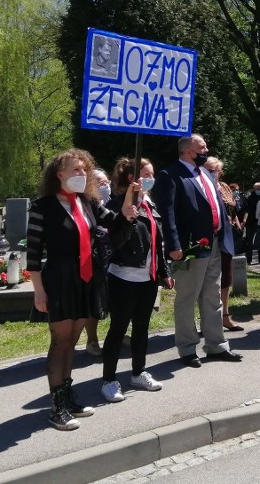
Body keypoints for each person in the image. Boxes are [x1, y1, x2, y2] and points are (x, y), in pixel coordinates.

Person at [26, 148, 138, 431]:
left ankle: (68, 397)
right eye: (75, 170)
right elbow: (34, 254)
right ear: (59, 174)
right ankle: (57, 406)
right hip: (60, 278)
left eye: (83, 170)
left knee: (73, 341)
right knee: (61, 342)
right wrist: (39, 291)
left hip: (85, 276)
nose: (81, 174)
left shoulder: (87, 202)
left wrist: (126, 206)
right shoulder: (43, 206)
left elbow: (113, 223)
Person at [155, 134, 243, 368]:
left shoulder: (204, 173)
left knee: (212, 295)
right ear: (187, 151)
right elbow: (169, 212)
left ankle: (216, 345)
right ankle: (187, 348)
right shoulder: (170, 175)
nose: (206, 149)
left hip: (214, 242)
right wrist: (174, 245)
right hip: (191, 247)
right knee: (187, 298)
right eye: (202, 146)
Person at [100, 158, 173, 403]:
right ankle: (109, 380)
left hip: (147, 277)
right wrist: (125, 217)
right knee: (118, 329)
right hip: (124, 277)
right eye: (146, 174)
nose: (150, 179)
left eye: (152, 174)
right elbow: (114, 242)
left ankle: (138, 372)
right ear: (132, 178)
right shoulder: (118, 204)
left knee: (142, 328)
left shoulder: (149, 204)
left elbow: (157, 242)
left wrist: (164, 271)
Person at [204, 157, 244, 332]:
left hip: (226, 235)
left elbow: (232, 208)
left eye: (217, 170)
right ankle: (207, 318)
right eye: (210, 169)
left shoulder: (225, 187)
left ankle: (225, 315)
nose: (215, 173)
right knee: (207, 280)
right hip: (208, 236)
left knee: (226, 277)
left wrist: (235, 222)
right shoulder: (201, 186)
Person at [84, 168, 113, 359]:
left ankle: (116, 335)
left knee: (115, 300)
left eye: (106, 182)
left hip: (114, 258)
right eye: (99, 183)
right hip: (94, 259)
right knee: (94, 301)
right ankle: (92, 340)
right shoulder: (87, 204)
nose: (104, 186)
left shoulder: (114, 203)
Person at [242, 183, 260, 265]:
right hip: (250, 222)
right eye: (258, 189)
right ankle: (248, 259)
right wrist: (244, 220)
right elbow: (246, 210)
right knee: (249, 241)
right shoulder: (249, 198)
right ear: (254, 189)